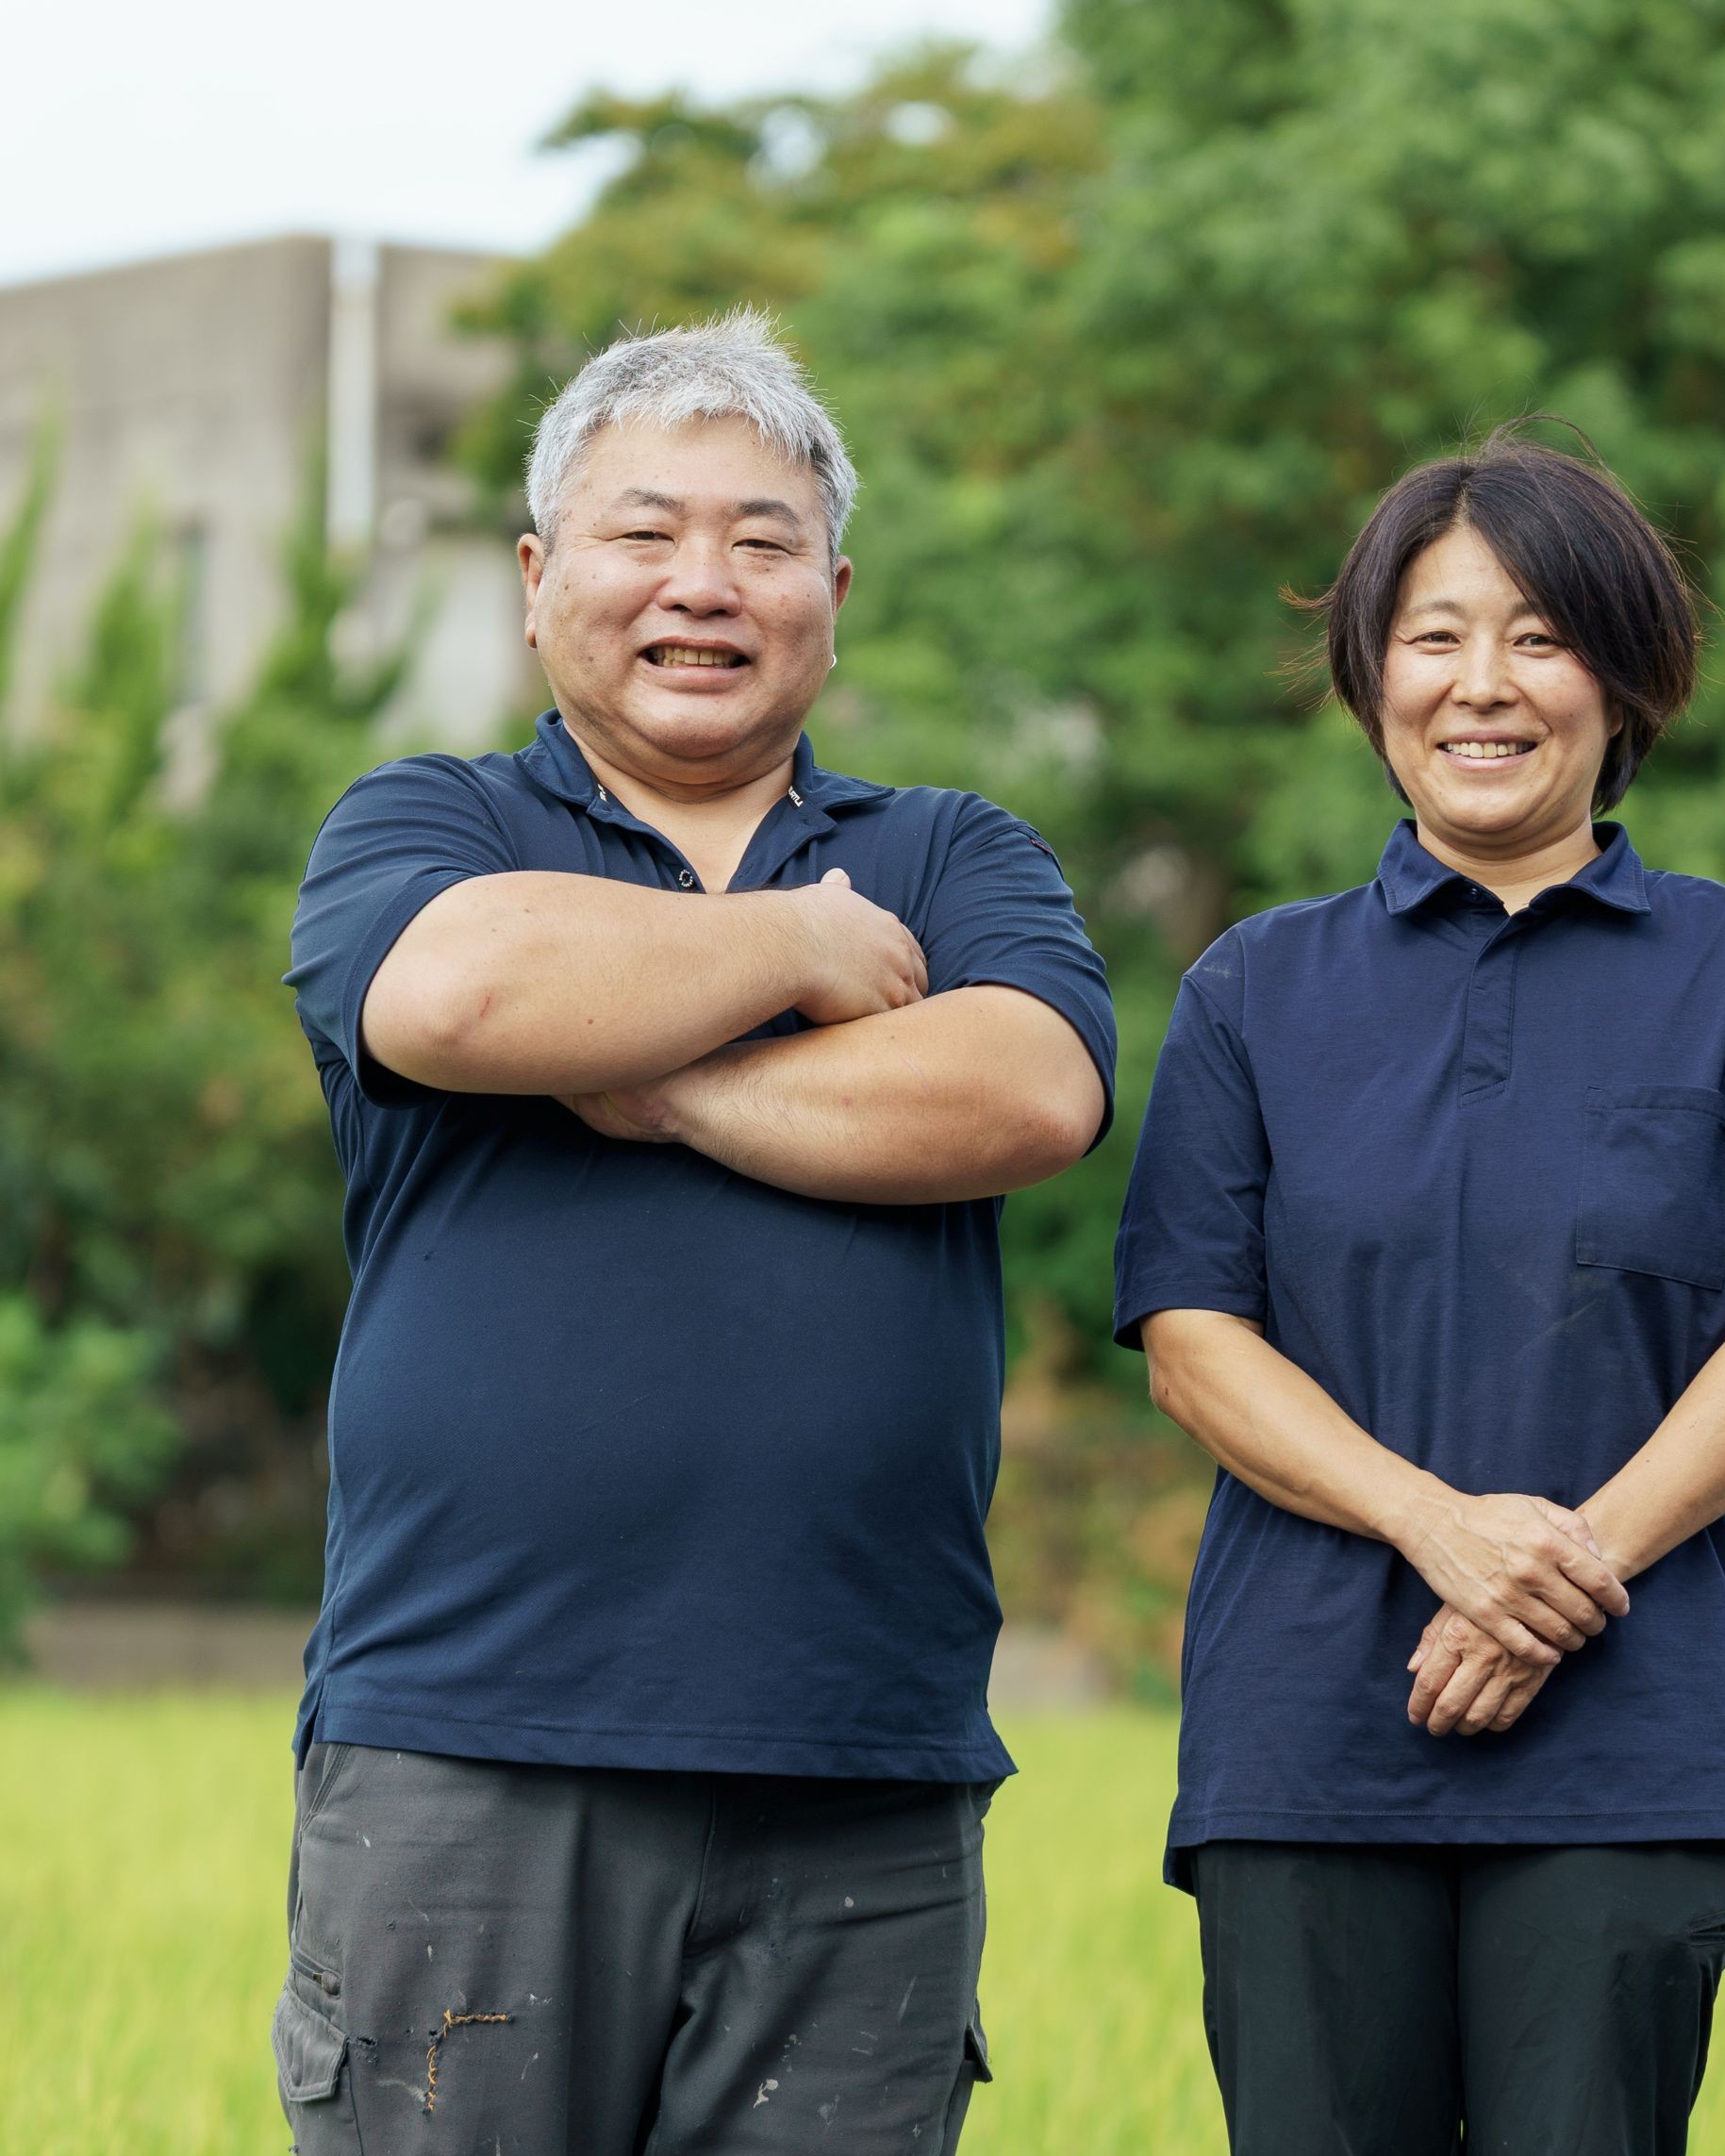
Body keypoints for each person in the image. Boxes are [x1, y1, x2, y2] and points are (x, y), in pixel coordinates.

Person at [274, 311, 1117, 2154]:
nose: (699, 584)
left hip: (855, 1767)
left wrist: (652, 1080)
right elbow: (458, 999)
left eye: (756, 539)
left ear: (832, 584)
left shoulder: (952, 858)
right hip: (471, 1748)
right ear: (533, 576)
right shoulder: (431, 825)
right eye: (642, 532)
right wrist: (798, 957)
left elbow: (1022, 1091)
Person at [1116, 432, 1725, 2155]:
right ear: (1368, 678)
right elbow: (1194, 1342)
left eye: (1542, 635)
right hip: (1304, 1750)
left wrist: (1560, 1573)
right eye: (1432, 636)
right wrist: (1441, 1532)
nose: (1482, 684)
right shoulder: (1255, 986)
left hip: (1632, 1742)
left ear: (1622, 677)